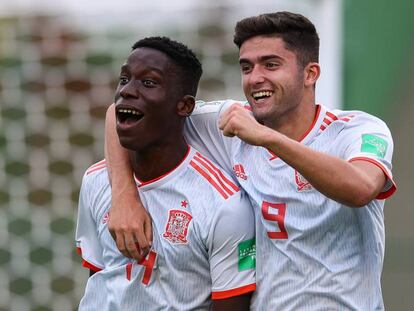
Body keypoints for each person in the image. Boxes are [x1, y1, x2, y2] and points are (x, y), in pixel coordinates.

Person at [105, 12, 396, 310]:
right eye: (247, 67)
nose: (255, 78)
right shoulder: (234, 122)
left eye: (271, 64)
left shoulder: (357, 129)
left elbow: (361, 188)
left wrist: (267, 138)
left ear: (310, 74)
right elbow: (122, 112)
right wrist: (124, 196)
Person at [76, 36, 256, 310]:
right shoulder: (96, 181)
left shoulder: (226, 206)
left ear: (184, 106)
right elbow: (101, 280)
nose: (127, 91)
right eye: (124, 79)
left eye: (148, 83)